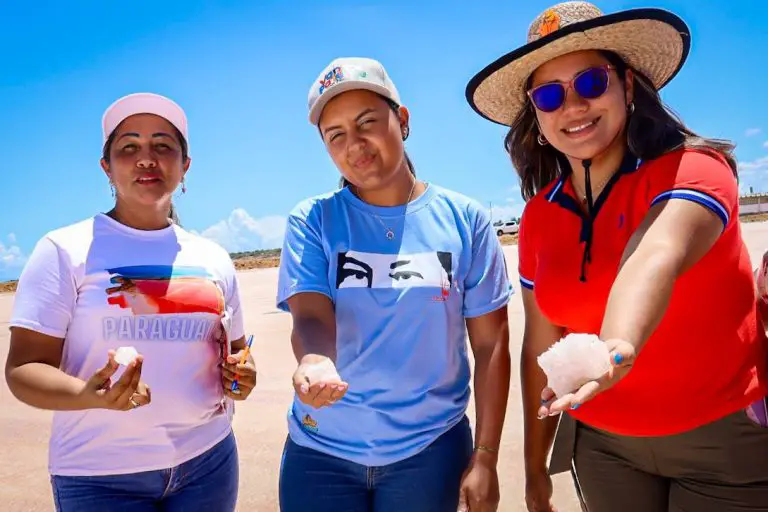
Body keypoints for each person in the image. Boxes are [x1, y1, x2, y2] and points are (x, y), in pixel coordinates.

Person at [465, 2, 768, 512]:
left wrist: (618, 346)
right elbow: (541, 341)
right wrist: (535, 468)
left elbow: (655, 254)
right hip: (603, 446)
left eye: (590, 83)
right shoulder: (539, 217)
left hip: (723, 438)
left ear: (628, 87)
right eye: (549, 95)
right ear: (537, 119)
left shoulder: (694, 168)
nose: (573, 106)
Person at [276, 57, 513, 512]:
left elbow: (490, 346)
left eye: (368, 123)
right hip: (321, 451)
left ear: (401, 121)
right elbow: (309, 312)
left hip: (430, 452)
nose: (355, 144)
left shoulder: (465, 220)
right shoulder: (314, 219)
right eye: (336, 135)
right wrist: (315, 358)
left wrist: (485, 457)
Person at [5, 92, 256, 511]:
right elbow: (23, 369)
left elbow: (235, 350)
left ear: (184, 165)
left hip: (208, 462)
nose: (146, 158)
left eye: (162, 145)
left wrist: (242, 376)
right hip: (101, 475)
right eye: (129, 147)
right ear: (107, 166)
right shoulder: (64, 249)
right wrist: (89, 394)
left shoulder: (213, 257)